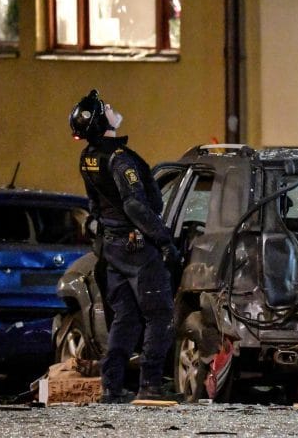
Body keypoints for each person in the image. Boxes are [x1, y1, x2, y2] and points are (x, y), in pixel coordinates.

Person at [69, 89, 180, 403]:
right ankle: (151, 385)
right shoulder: (120, 160)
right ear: (102, 122)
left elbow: (94, 203)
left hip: (113, 248)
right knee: (159, 315)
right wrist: (164, 239)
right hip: (137, 250)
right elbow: (134, 205)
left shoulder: (88, 158)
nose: (112, 108)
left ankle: (112, 386)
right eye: (106, 108)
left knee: (126, 317)